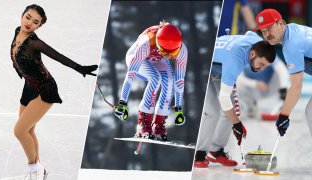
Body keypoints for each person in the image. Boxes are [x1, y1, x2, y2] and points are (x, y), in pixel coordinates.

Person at [11, 4, 98, 179]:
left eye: (35, 22)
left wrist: (80, 68)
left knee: (19, 131)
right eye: (28, 17)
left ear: (39, 25)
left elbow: (57, 56)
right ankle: (39, 172)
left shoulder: (34, 42)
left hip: (45, 88)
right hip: (29, 87)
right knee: (28, 130)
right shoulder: (17, 32)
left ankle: (34, 169)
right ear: (22, 15)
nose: (29, 23)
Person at [194, 31, 276, 168]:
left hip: (221, 69)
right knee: (212, 112)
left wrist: (235, 120)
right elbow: (223, 97)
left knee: (230, 112)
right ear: (252, 54)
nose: (261, 69)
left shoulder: (256, 42)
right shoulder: (235, 60)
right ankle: (199, 153)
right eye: (261, 64)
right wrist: (237, 124)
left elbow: (249, 32)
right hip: (203, 68)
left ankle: (216, 151)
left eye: (264, 67)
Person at [113, 22, 187, 141]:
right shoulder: (146, 43)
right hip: (137, 58)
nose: (168, 56)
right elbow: (130, 75)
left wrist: (178, 108)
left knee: (169, 81)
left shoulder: (182, 50)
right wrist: (123, 102)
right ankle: (143, 124)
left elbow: (180, 81)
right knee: (155, 78)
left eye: (172, 53)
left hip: (157, 59)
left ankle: (158, 124)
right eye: (165, 52)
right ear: (158, 44)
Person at [255, 9, 312, 137]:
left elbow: (296, 86)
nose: (267, 34)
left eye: (270, 28)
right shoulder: (293, 30)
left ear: (281, 23)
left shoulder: (291, 45)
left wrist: (283, 116)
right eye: (263, 31)